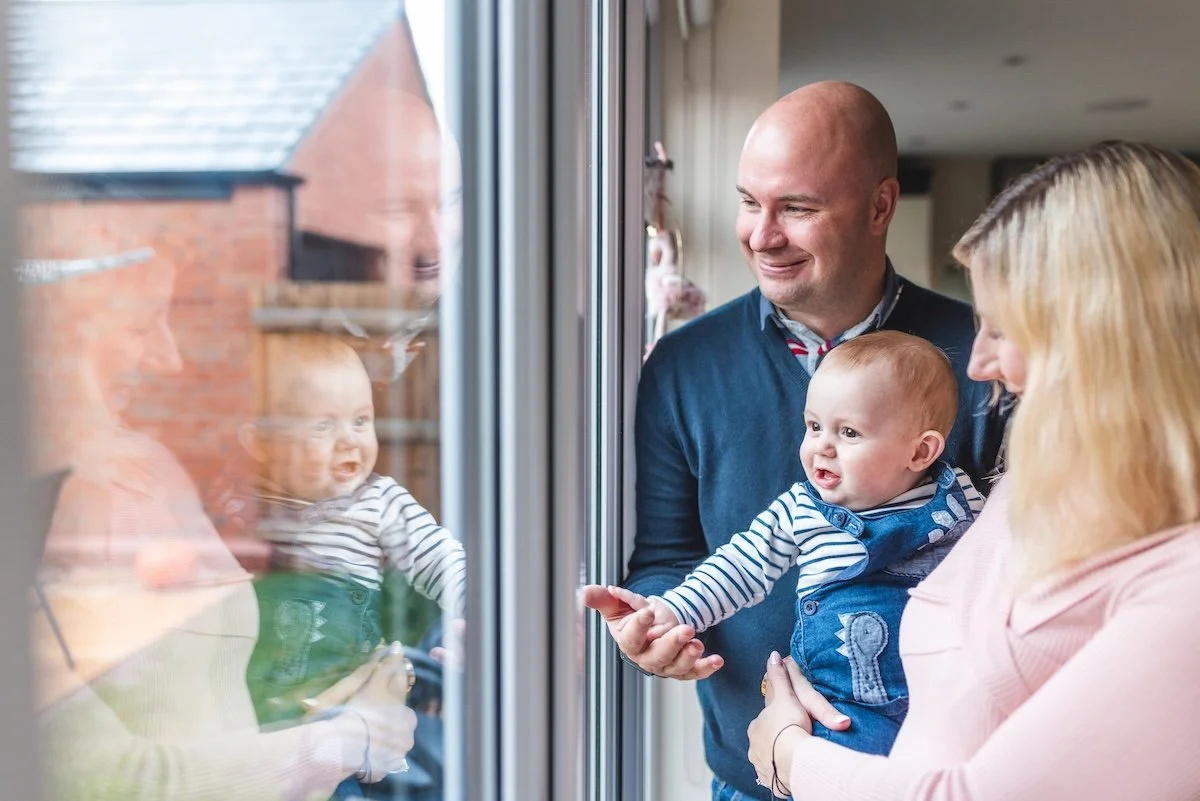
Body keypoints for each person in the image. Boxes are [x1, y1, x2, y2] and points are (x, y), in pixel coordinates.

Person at [584, 81, 1007, 800]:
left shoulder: (985, 354)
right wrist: (662, 623)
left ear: (880, 206)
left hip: (936, 775)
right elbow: (665, 556)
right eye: (750, 202)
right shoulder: (681, 367)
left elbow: (1023, 572)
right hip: (751, 779)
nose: (762, 234)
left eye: (798, 208)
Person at [748, 140, 1200, 800]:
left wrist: (789, 752)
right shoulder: (1028, 489)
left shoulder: (1183, 583)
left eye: (1003, 330)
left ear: (1104, 339)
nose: (980, 362)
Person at [25, 223, 417, 801]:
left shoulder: (148, 469)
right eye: (140, 326)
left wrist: (339, 692)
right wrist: (353, 738)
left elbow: (226, 693)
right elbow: (113, 780)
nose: (170, 358)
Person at [592, 331, 985, 755]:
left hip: (944, 706)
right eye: (813, 426)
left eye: (849, 432)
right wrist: (670, 612)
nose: (821, 447)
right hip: (840, 711)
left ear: (921, 452)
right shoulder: (801, 510)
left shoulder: (961, 504)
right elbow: (739, 567)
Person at [240, 330, 466, 729]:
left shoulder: (379, 502)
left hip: (349, 706)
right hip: (254, 713)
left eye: (361, 420)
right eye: (323, 426)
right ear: (262, 444)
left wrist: (492, 615)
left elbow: (444, 562)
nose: (350, 440)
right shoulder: (243, 508)